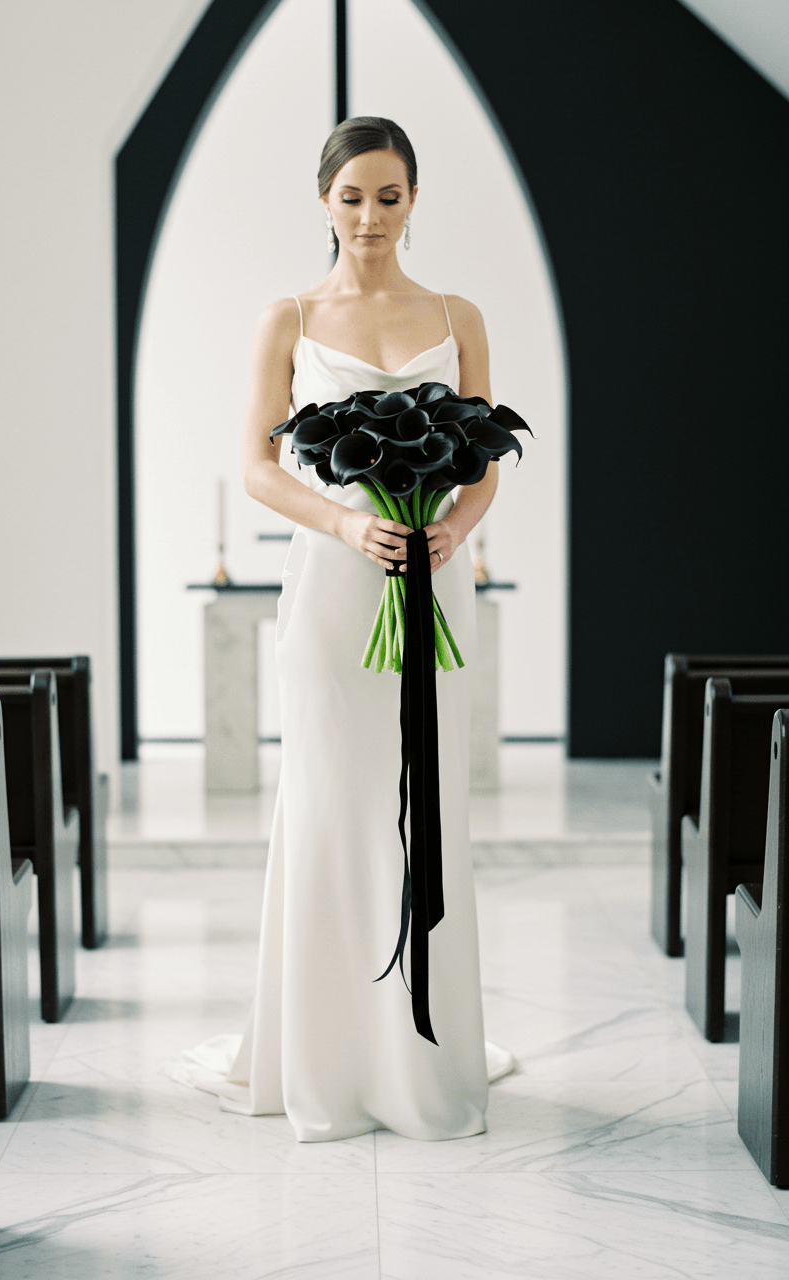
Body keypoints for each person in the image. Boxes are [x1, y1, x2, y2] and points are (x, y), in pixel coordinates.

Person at [182, 116, 513, 1142]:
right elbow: (255, 464)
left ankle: (419, 1052)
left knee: (425, 798)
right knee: (331, 800)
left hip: (431, 585)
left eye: (389, 196)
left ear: (414, 201)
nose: (370, 215)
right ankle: (321, 1053)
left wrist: (448, 527)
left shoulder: (457, 313)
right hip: (331, 588)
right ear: (321, 201)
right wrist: (345, 520)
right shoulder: (286, 315)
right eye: (352, 196)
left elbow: (484, 456)